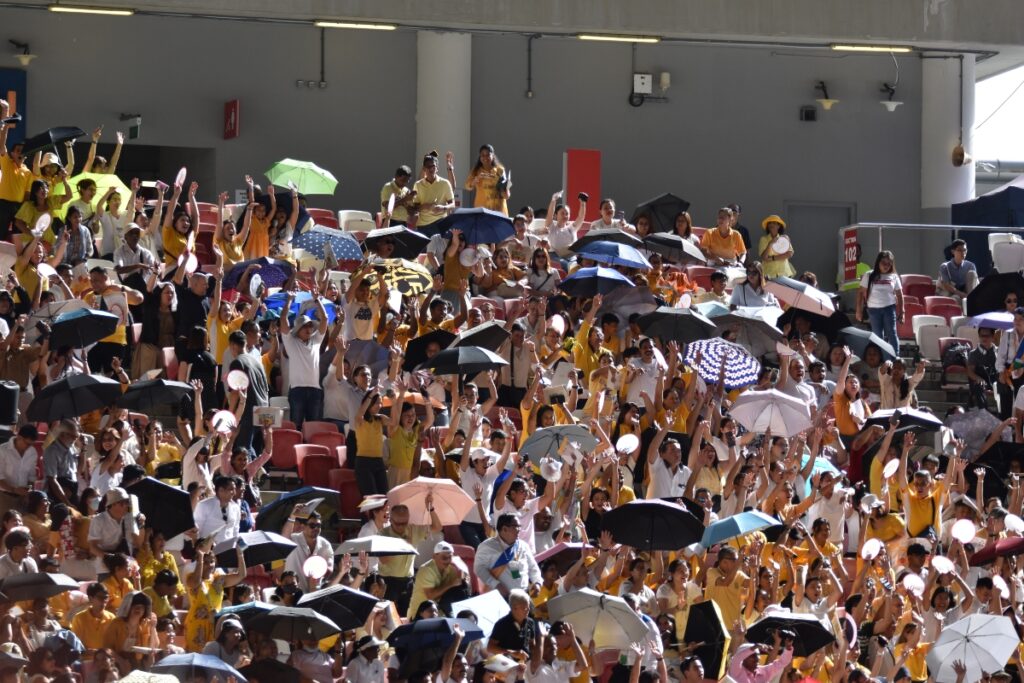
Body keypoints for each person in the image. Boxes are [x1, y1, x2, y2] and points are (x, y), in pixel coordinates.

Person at [279, 290, 327, 428]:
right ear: (297, 330)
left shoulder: (316, 341)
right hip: (297, 391)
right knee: (297, 426)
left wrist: (317, 300)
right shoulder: (291, 342)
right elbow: (283, 319)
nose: (309, 328)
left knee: (314, 427)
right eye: (304, 326)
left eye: (310, 326)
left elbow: (324, 319)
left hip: (315, 390)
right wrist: (289, 300)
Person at [474, 513, 542, 597]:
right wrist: (496, 584)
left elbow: (533, 568)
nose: (519, 529)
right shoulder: (487, 547)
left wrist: (537, 582)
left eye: (519, 526)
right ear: (504, 529)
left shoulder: (523, 546)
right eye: (515, 526)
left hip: (524, 596)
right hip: (500, 596)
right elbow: (479, 569)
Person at [857, 250, 904, 356]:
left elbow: (900, 294)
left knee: (892, 333)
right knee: (877, 335)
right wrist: (858, 311)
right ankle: (881, 357)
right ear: (878, 262)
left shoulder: (894, 276)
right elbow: (860, 293)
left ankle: (895, 357)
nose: (886, 266)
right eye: (883, 262)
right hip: (873, 310)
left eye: (889, 263)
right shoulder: (869, 275)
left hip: (889, 308)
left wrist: (902, 311)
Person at [407, 541, 470, 619]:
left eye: (450, 557)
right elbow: (431, 596)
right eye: (444, 558)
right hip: (420, 614)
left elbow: (463, 587)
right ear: (434, 556)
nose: (447, 561)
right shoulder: (426, 570)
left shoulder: (453, 567)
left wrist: (463, 576)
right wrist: (451, 583)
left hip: (439, 613)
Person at [282, 509, 334, 593]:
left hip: (314, 592)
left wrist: (317, 566)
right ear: (303, 526)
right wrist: (292, 516)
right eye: (312, 525)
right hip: (293, 593)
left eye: (319, 525)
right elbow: (283, 539)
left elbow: (330, 568)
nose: (316, 528)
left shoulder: (325, 544)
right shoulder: (293, 539)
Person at [0, 424, 38, 517]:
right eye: (27, 444)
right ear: (19, 437)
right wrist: (14, 490)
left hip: (22, 498)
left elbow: (31, 477)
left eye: (31, 444)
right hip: (4, 497)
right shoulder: (2, 450)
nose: (29, 447)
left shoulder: (32, 452)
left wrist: (28, 491)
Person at [412, 153, 454, 229]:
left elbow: (452, 204)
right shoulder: (418, 185)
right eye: (428, 166)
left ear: (437, 168)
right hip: (423, 225)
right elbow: (414, 208)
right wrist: (425, 206)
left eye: (433, 166)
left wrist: (443, 208)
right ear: (424, 169)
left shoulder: (445, 183)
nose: (431, 169)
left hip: (441, 223)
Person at [465, 144, 510, 215]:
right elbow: (467, 186)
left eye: (488, 155)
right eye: (483, 155)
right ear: (480, 157)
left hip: (498, 210)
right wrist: (476, 179)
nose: (485, 158)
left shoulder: (500, 170)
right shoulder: (476, 171)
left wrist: (501, 187)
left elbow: (506, 193)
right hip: (482, 210)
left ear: (492, 156)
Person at [967, 327, 998, 409]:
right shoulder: (973, 353)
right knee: (978, 386)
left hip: (995, 380)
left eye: (987, 336)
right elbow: (970, 372)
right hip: (980, 381)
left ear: (992, 336)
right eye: (981, 336)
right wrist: (980, 379)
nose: (984, 338)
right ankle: (984, 411)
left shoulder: (998, 352)